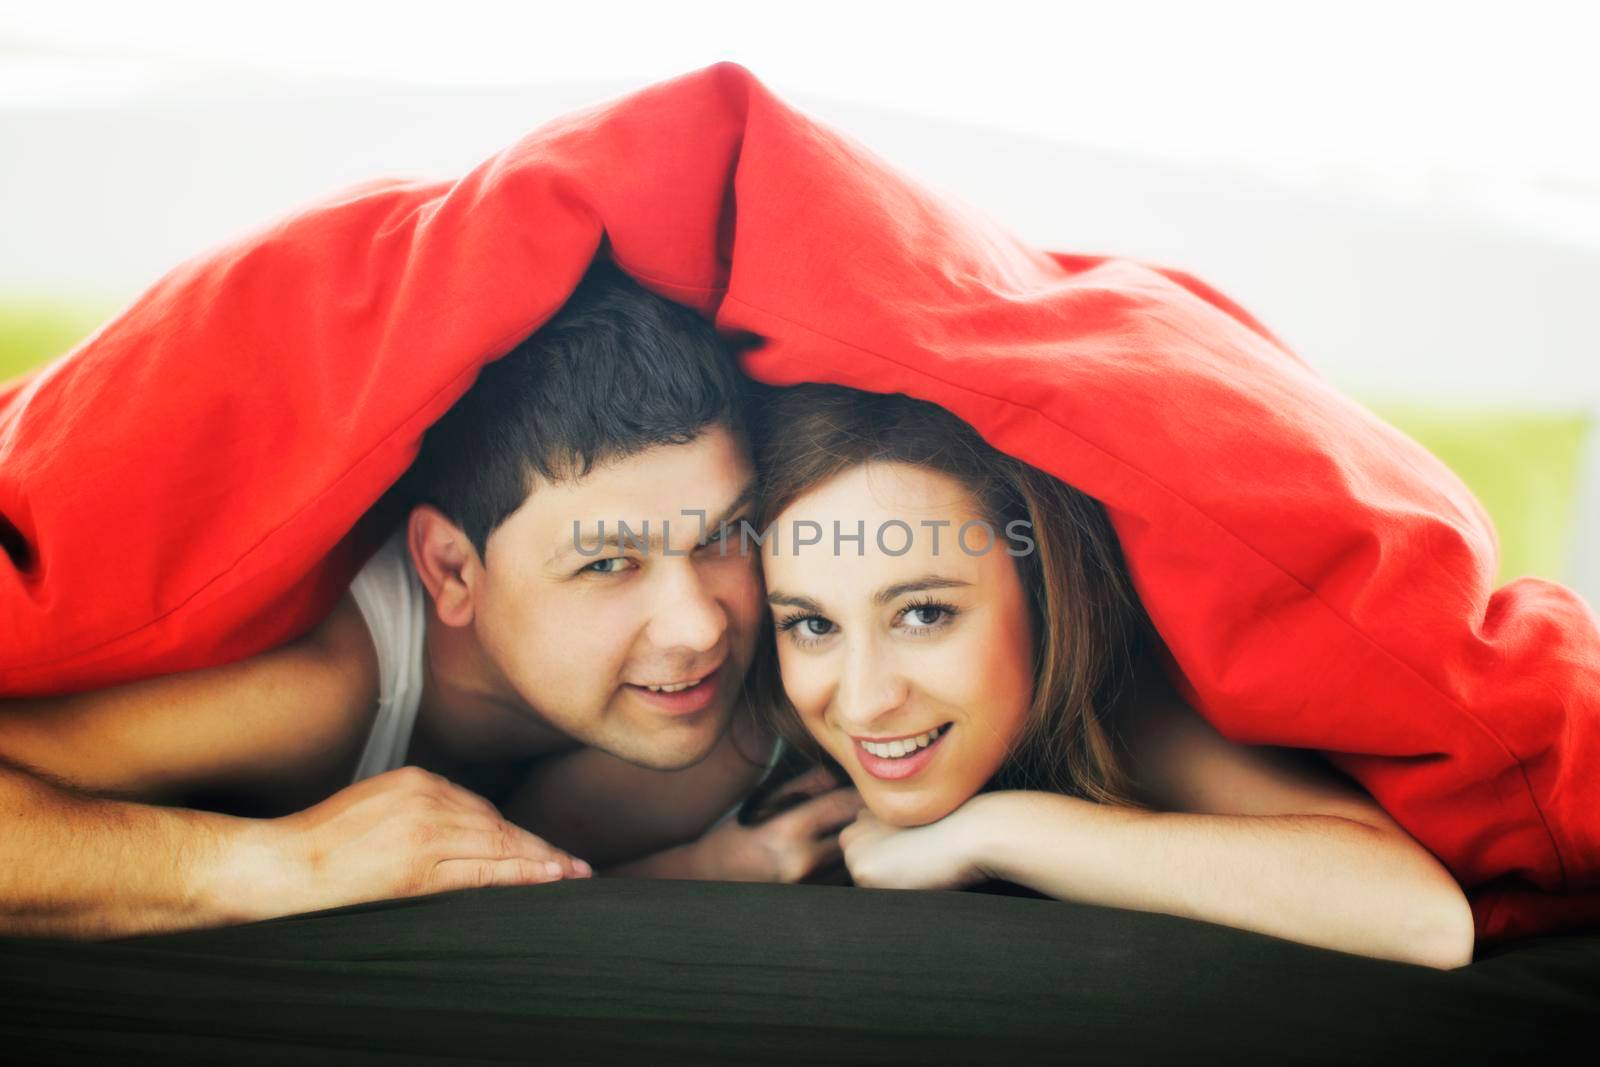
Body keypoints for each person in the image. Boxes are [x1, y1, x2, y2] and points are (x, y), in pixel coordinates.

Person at [0, 258, 862, 940]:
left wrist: (703, 869)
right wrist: (284, 862)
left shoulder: (724, 718)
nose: (700, 624)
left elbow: (520, 872)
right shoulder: (312, 689)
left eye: (722, 534)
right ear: (452, 570)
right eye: (607, 565)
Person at [744, 382, 1478, 970]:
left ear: (1040, 595)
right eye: (812, 625)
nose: (868, 698)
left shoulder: (1130, 710)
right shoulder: (752, 731)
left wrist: (998, 829)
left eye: (925, 613)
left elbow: (1424, 917)